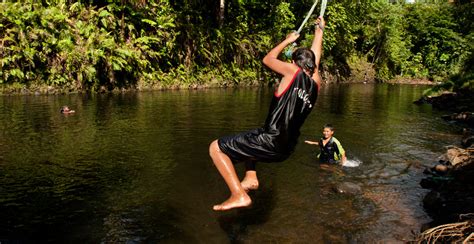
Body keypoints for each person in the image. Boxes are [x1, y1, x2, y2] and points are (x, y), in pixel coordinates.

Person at [208, 17, 326, 211]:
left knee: (216, 148)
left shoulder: (292, 71)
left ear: (294, 63)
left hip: (270, 140)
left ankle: (239, 195)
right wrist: (319, 32)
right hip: (286, 149)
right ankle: (251, 177)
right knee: (253, 136)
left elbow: (267, 60)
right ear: (312, 68)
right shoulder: (316, 85)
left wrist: (288, 40)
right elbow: (316, 60)